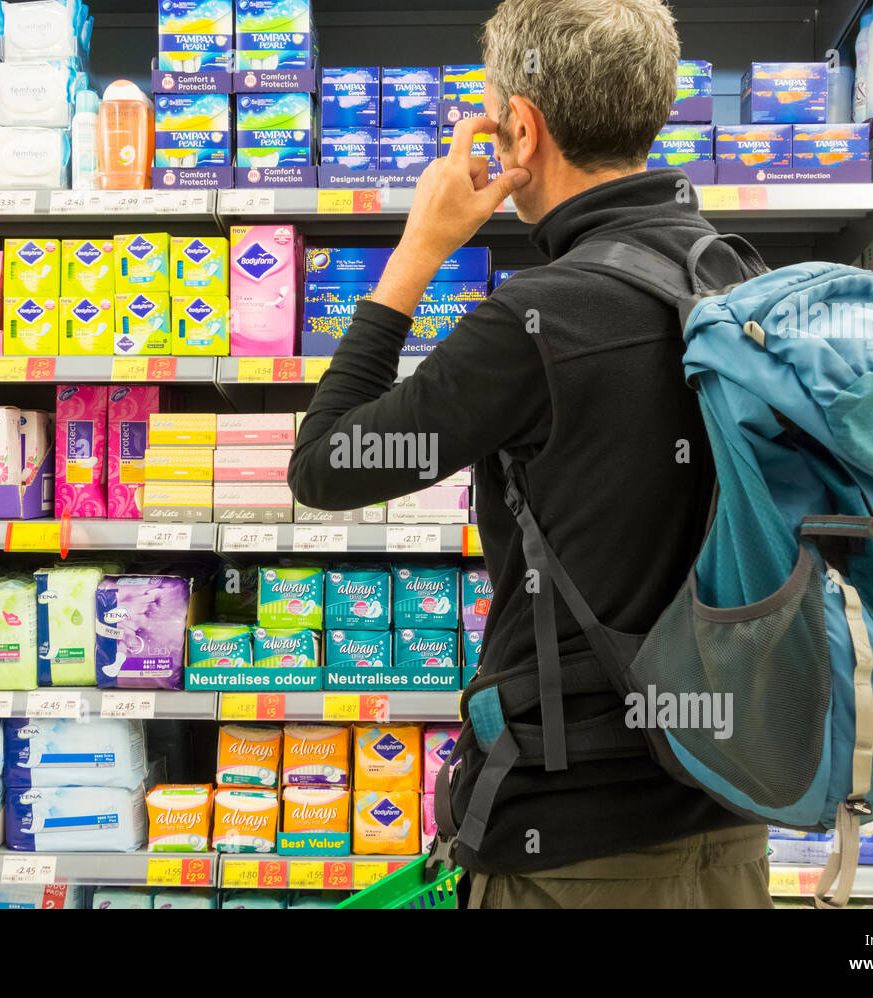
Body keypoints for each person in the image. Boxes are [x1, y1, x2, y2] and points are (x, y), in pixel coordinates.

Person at [287, 0, 771, 909]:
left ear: (524, 127)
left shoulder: (538, 321)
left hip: (571, 846)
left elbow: (325, 463)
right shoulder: (737, 279)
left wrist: (419, 250)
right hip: (734, 822)